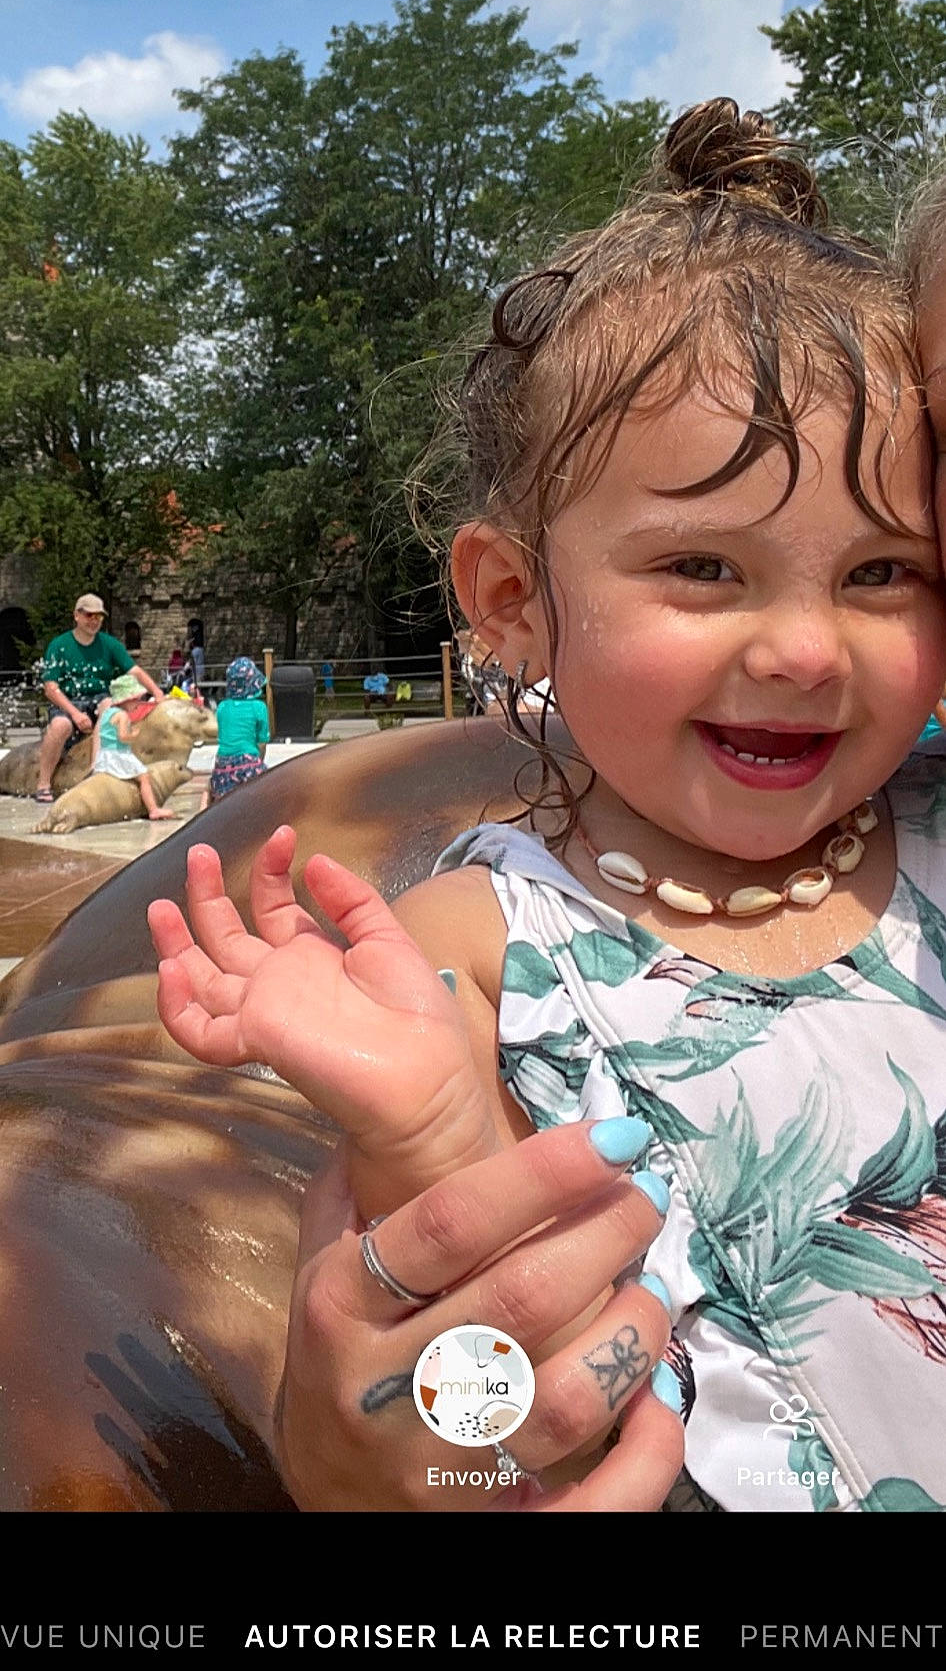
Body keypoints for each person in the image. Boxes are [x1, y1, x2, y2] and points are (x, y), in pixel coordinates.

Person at [149, 96, 946, 1515]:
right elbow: (484, 1329)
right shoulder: (479, 940)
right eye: (703, 568)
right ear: (513, 599)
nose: (804, 649)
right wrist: (423, 1129)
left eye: (880, 573)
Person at [35, 593, 164, 803]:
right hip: (68, 700)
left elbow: (134, 670)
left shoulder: (109, 644)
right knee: (60, 726)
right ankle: (43, 783)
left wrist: (157, 693)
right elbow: (51, 689)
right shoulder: (59, 645)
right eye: (89, 615)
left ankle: (96, 768)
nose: (94, 621)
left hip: (100, 697)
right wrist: (75, 714)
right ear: (76, 615)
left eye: (98, 616)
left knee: (109, 706)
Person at [89, 675, 178, 820]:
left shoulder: (106, 713)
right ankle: (153, 809)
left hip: (104, 755)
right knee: (144, 776)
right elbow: (123, 736)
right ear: (126, 700)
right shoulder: (122, 715)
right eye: (137, 699)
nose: (139, 702)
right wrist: (134, 735)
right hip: (118, 754)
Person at [199, 656, 269, 809]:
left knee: (208, 789)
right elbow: (262, 743)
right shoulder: (259, 707)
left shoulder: (222, 707)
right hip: (249, 765)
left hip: (223, 766)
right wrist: (258, 762)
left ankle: (201, 816)